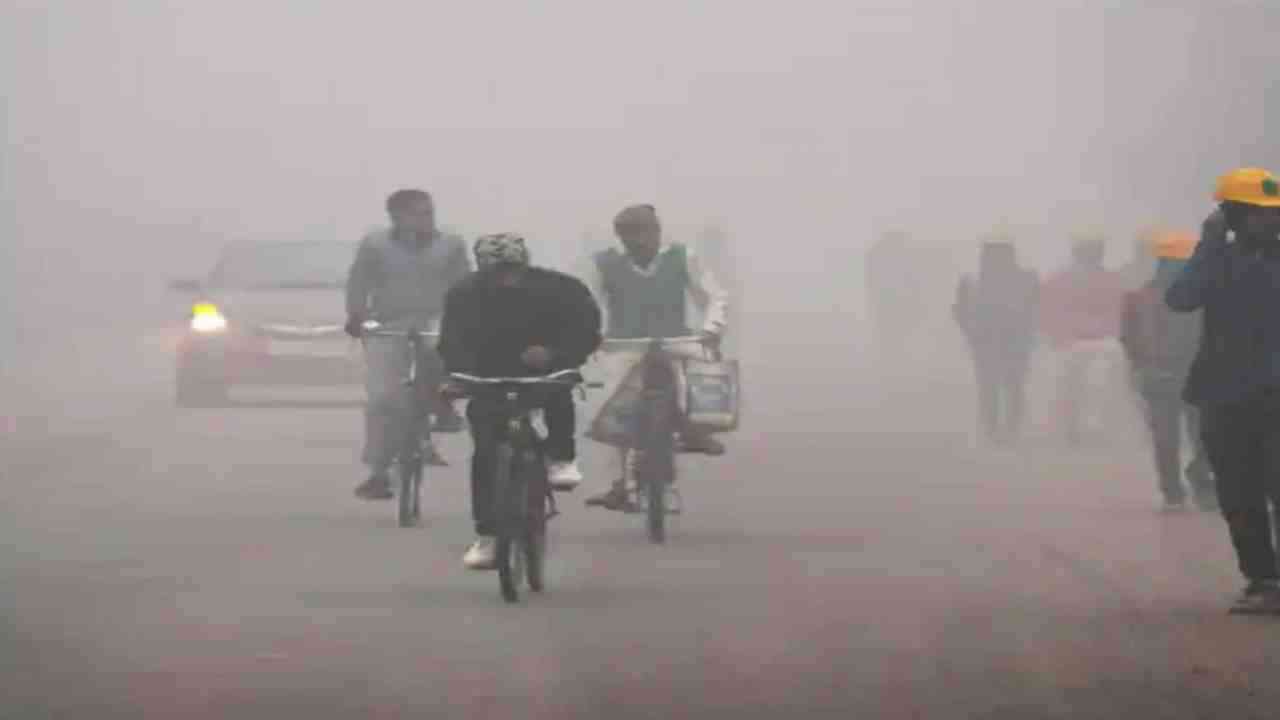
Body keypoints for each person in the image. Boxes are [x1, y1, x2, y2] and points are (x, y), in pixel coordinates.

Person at [437, 233, 602, 570]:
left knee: (558, 391)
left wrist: (556, 354)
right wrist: (456, 376)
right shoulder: (464, 294)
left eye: (512, 270)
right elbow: (451, 341)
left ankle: (561, 457)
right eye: (497, 271)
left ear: (525, 263)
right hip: (487, 376)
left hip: (545, 371)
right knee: (485, 451)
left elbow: (586, 329)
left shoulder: (561, 289)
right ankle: (488, 536)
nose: (505, 278)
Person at [1167, 167, 1280, 614]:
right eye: (1261, 213)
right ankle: (1264, 579)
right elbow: (1180, 298)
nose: (1271, 220)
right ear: (1233, 215)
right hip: (1226, 398)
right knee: (1238, 492)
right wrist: (1209, 244)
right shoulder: (1218, 261)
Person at [583, 204, 729, 510]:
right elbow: (587, 304)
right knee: (611, 409)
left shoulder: (681, 257)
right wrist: (590, 333)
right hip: (625, 345)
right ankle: (619, 483)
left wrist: (711, 327)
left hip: (675, 340)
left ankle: (696, 429)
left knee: (701, 379)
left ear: (657, 231)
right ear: (620, 237)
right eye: (630, 235)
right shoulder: (605, 263)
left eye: (644, 232)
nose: (638, 241)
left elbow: (713, 294)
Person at [344, 189, 471, 500]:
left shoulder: (451, 245)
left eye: (429, 212)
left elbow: (465, 285)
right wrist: (356, 315)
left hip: (436, 321)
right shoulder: (375, 245)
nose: (427, 219)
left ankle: (440, 407)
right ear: (396, 217)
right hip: (389, 324)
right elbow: (359, 282)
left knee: (440, 355)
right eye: (419, 213)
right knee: (382, 398)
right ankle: (378, 472)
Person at [1120, 230, 1215, 512]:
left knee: (1173, 438)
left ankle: (1175, 490)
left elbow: (1129, 341)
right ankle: (1190, 485)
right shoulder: (1207, 297)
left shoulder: (1139, 298)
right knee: (1199, 437)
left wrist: (1139, 369)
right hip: (1185, 378)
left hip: (1172, 377)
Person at [1039, 231, 1127, 446]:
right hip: (1091, 342)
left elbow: (1047, 310)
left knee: (1077, 387)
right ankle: (1084, 428)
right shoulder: (1111, 280)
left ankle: (1079, 428)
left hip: (1082, 342)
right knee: (1090, 387)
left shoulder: (1061, 280)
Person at [953, 237, 1039, 446]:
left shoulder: (972, 280)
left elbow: (959, 311)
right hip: (1013, 342)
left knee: (990, 387)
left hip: (987, 342)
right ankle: (1009, 431)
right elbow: (1037, 308)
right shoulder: (1027, 278)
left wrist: (970, 332)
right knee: (1012, 386)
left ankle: (994, 431)